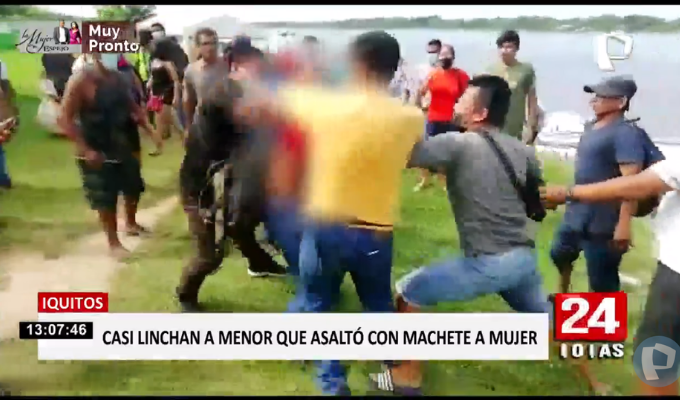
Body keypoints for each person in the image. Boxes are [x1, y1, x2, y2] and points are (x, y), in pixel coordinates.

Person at [237, 30, 424, 395]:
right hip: (377, 232)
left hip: (326, 228)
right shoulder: (410, 117)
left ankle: (332, 381)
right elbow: (414, 152)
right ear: (392, 69)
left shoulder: (324, 107)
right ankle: (400, 371)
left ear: (359, 65)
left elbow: (266, 101)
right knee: (377, 304)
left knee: (318, 304)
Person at [369, 75, 551, 395]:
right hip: (524, 258)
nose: (456, 104)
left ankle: (406, 380)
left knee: (409, 292)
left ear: (480, 113)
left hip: (491, 263)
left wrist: (405, 114)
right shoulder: (523, 150)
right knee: (549, 317)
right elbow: (538, 191)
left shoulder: (458, 143)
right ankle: (597, 374)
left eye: (463, 100)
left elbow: (405, 154)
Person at [541, 156, 679, 397]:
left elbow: (635, 185)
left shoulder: (629, 142)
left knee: (656, 352)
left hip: (664, 267)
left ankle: (600, 352)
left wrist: (568, 193)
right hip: (581, 224)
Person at [177, 28, 287, 313]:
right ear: (235, 66)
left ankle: (259, 263)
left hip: (227, 176)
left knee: (244, 222)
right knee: (210, 253)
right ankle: (185, 294)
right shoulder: (224, 93)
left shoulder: (245, 92)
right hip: (200, 186)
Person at [549, 76, 663, 296]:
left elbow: (632, 183)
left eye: (601, 97)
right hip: (577, 213)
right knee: (559, 253)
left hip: (604, 221)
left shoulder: (626, 134)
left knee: (602, 279)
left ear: (620, 102)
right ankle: (562, 292)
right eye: (595, 96)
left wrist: (623, 225)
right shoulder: (590, 128)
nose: (594, 101)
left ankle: (601, 313)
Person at [58, 53, 154, 259]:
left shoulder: (118, 78)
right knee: (105, 196)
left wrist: (150, 130)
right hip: (95, 145)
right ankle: (113, 243)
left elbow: (133, 107)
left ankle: (131, 223)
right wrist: (86, 150)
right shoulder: (80, 80)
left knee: (133, 185)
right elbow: (64, 119)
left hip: (121, 142)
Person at [413, 44, 469, 192]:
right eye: (442, 55)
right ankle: (425, 180)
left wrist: (464, 114)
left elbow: (469, 96)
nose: (444, 58)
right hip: (433, 118)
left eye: (447, 54)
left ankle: (446, 182)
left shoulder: (460, 75)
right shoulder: (433, 75)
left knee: (449, 152)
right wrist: (419, 107)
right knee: (428, 150)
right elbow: (420, 91)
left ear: (453, 57)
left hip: (452, 120)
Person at [486, 30, 540, 144]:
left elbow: (532, 100)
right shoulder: (491, 70)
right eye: (501, 47)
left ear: (516, 49)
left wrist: (531, 126)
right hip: (494, 126)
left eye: (509, 47)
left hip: (515, 127)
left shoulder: (526, 70)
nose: (504, 51)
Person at [148, 40, 183, 141]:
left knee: (162, 117)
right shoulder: (153, 62)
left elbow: (175, 80)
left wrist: (176, 96)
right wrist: (150, 84)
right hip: (156, 92)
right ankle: (182, 135)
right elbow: (153, 76)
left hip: (166, 92)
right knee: (169, 117)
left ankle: (159, 141)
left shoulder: (168, 64)